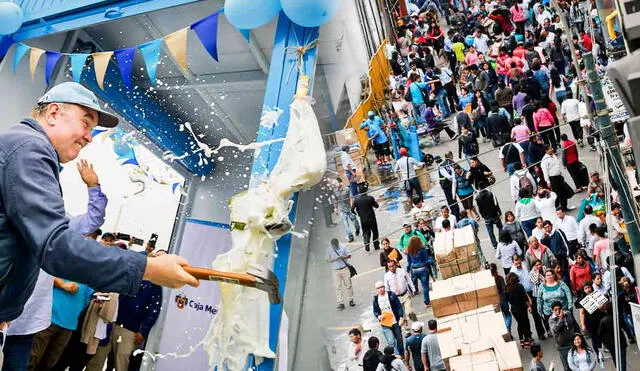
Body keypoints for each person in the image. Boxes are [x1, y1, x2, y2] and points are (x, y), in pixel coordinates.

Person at [0, 82, 197, 336]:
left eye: (92, 129)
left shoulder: (21, 147)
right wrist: (148, 268)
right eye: (85, 122)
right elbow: (56, 246)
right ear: (52, 113)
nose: (89, 137)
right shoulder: (29, 148)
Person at [3, 160, 107, 371]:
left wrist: (93, 186)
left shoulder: (58, 223)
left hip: (27, 324)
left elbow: (92, 221)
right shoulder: (7, 211)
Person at [372, 281, 405, 356]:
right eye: (378, 288)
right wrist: (378, 316)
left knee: (399, 339)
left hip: (395, 321)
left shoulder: (391, 295)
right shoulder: (376, 299)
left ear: (384, 287)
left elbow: (398, 306)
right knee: (391, 341)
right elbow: (375, 311)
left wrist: (401, 317)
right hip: (385, 323)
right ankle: (396, 355)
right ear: (376, 290)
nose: (381, 289)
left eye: (382, 287)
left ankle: (402, 354)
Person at [505, 272, 534, 347]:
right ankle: (527, 339)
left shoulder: (507, 289)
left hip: (514, 309)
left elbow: (507, 299)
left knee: (520, 324)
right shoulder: (520, 287)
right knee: (525, 323)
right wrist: (529, 306)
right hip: (522, 307)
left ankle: (521, 339)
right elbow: (525, 298)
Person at [575, 282, 606, 354]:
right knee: (595, 338)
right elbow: (582, 313)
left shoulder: (596, 295)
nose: (588, 290)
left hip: (600, 319)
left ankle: (605, 347)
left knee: (604, 335)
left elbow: (604, 307)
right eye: (585, 288)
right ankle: (598, 354)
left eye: (589, 287)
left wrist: (602, 307)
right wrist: (583, 324)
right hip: (590, 322)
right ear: (583, 290)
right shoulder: (582, 299)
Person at [384, 260, 417, 326]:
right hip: (396, 298)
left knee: (409, 311)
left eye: (393, 266)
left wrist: (413, 289)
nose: (391, 268)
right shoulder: (386, 276)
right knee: (402, 315)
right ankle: (407, 330)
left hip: (405, 295)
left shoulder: (402, 271)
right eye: (389, 267)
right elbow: (387, 288)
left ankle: (416, 323)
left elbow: (409, 280)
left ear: (395, 265)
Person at [549, 301, 579, 371]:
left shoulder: (568, 313)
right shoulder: (551, 320)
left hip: (573, 342)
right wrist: (561, 319)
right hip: (563, 346)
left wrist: (578, 334)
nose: (558, 311)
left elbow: (575, 324)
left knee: (577, 363)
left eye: (559, 309)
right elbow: (555, 331)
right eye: (555, 309)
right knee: (567, 366)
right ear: (552, 310)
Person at [541, 146, 573, 210]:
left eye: (551, 148)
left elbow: (557, 165)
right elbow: (545, 171)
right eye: (550, 149)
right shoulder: (545, 160)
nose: (552, 149)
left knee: (563, 191)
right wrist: (548, 181)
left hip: (559, 176)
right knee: (557, 193)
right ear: (546, 151)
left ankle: (564, 206)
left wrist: (561, 174)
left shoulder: (553, 156)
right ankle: (557, 208)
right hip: (553, 178)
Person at [327, 238, 355, 310]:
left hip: (344, 268)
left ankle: (351, 300)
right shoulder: (329, 250)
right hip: (335, 270)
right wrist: (335, 259)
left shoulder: (343, 246)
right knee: (338, 287)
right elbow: (327, 260)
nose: (335, 247)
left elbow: (349, 255)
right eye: (333, 246)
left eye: (336, 245)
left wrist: (343, 257)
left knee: (348, 285)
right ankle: (341, 303)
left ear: (337, 243)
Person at [352, 184, 380, 251]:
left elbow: (352, 209)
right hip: (371, 218)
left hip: (363, 219)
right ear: (366, 191)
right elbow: (377, 206)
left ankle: (366, 242)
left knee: (365, 232)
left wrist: (358, 214)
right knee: (375, 232)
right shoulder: (370, 198)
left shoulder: (356, 200)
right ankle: (376, 245)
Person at [599, 306, 628, 371]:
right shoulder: (618, 318)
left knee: (615, 358)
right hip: (621, 342)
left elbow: (600, 334)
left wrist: (602, 343)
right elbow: (625, 328)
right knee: (622, 359)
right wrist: (629, 336)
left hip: (611, 344)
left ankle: (618, 368)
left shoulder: (603, 320)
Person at [406, 237, 432, 308]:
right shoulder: (422, 249)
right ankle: (427, 302)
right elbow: (427, 259)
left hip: (414, 270)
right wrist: (432, 262)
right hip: (423, 269)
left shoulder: (409, 251)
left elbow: (409, 262)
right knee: (425, 287)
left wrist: (407, 271)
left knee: (413, 283)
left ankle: (413, 291)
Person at [475, 181, 503, 248]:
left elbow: (479, 208)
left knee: (490, 232)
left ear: (478, 188)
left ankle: (494, 244)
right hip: (494, 215)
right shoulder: (491, 194)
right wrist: (500, 213)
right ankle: (501, 240)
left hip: (487, 217)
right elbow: (496, 204)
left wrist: (483, 216)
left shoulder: (477, 198)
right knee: (500, 228)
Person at [529, 259, 551, 339]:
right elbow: (535, 281)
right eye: (537, 265)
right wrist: (537, 272)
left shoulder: (545, 269)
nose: (539, 266)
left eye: (539, 264)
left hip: (546, 294)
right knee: (538, 316)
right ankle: (541, 333)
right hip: (536, 296)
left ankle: (549, 330)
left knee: (546, 313)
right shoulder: (531, 274)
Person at [334, 178, 360, 242]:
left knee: (355, 222)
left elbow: (351, 198)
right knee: (345, 224)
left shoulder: (347, 189)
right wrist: (336, 208)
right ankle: (350, 236)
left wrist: (351, 207)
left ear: (340, 183)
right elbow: (335, 200)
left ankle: (357, 229)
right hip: (342, 210)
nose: (335, 184)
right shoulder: (335, 191)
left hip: (349, 209)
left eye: (336, 183)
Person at [437, 152, 460, 218]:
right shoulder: (452, 163)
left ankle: (456, 215)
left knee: (451, 201)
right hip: (451, 184)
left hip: (447, 186)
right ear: (450, 156)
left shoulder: (442, 165)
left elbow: (449, 176)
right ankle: (456, 215)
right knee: (454, 199)